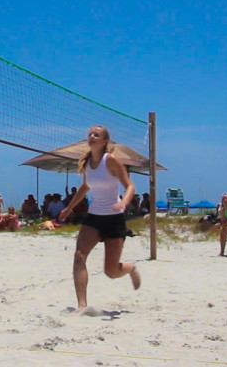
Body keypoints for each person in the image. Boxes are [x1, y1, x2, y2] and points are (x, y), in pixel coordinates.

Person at [58, 125, 141, 313]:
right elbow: (85, 187)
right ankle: (82, 305)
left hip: (114, 218)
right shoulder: (87, 163)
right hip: (94, 217)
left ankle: (130, 268)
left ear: (105, 141)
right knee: (79, 256)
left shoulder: (110, 160)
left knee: (111, 272)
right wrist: (68, 208)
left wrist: (123, 203)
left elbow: (130, 186)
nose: (92, 137)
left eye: (97, 135)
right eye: (89, 134)